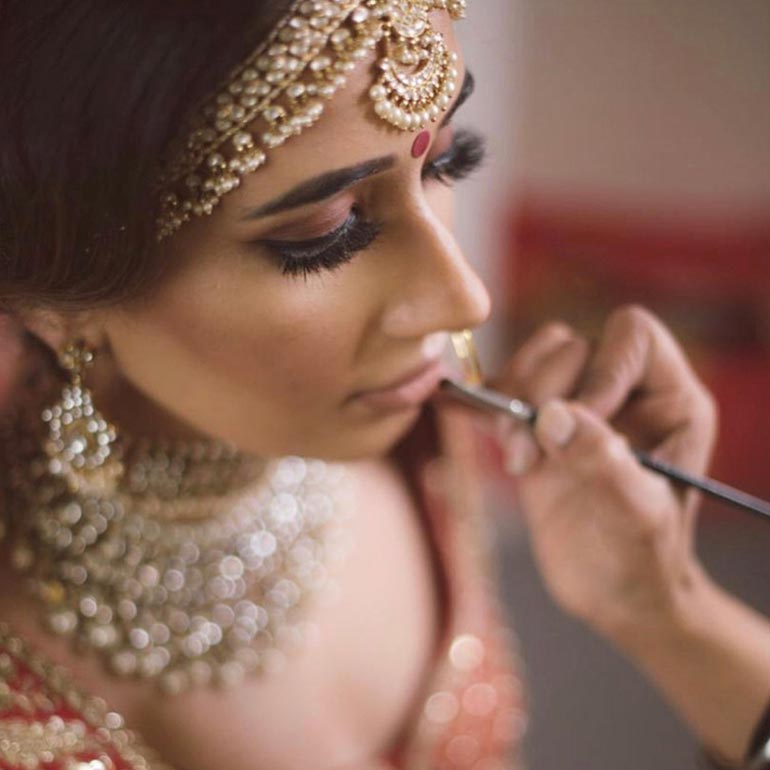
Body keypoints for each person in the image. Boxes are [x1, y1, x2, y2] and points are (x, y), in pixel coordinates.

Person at [0, 2, 768, 769]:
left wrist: (670, 610)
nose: (464, 298)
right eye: (324, 232)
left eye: (447, 162)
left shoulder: (418, 440)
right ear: (55, 300)